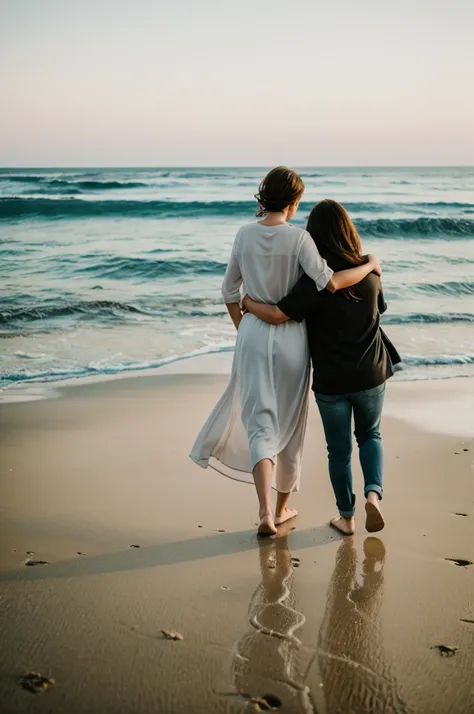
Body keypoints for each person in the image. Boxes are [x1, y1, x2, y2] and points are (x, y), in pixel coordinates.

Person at [190, 170, 381, 536]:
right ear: (293, 202)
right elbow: (329, 282)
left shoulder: (243, 233)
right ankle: (281, 509)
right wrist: (370, 264)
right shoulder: (300, 239)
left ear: (265, 197)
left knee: (260, 422)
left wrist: (244, 328)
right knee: (290, 426)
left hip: (252, 336)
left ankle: (264, 513)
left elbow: (229, 292)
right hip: (292, 339)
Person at [243, 199, 400, 536]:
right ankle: (373, 494)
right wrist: (372, 263)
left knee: (339, 451)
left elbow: (277, 314)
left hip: (331, 381)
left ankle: (347, 517)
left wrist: (246, 302)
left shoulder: (311, 282)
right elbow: (379, 310)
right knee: (370, 435)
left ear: (314, 237)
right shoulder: (371, 275)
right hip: (372, 373)